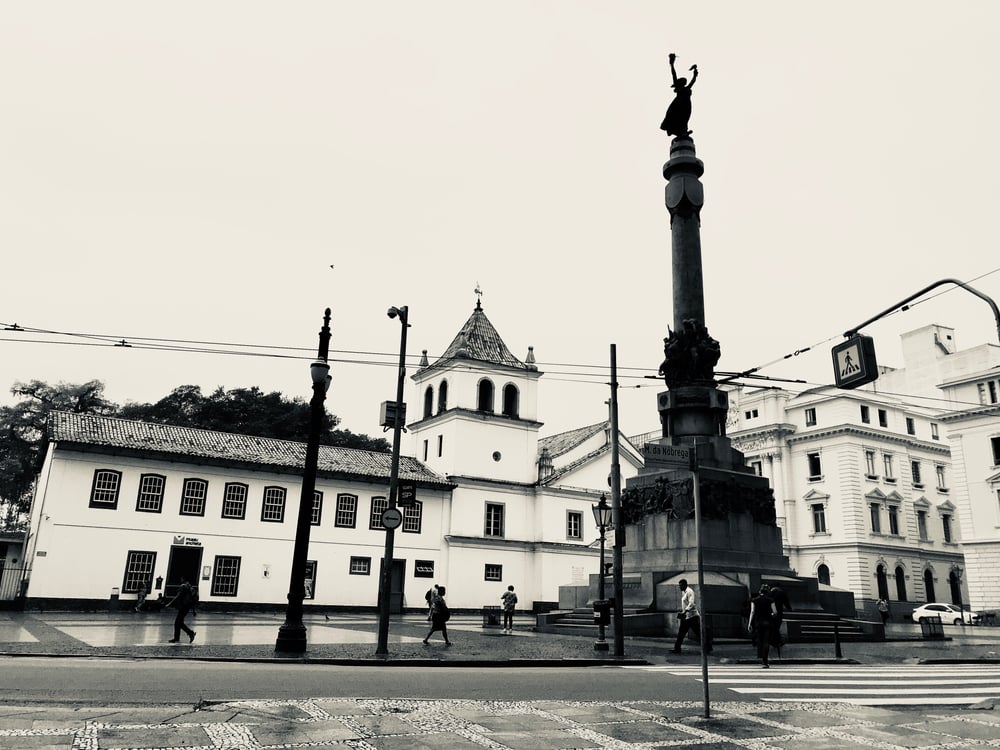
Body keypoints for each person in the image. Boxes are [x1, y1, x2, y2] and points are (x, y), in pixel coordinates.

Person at [660, 52, 699, 137]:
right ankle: (680, 132)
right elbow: (674, 74)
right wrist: (672, 64)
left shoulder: (686, 88)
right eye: (683, 81)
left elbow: (692, 82)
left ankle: (683, 131)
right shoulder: (679, 88)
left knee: (685, 119)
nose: (685, 82)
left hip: (686, 105)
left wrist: (695, 75)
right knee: (678, 117)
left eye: (685, 82)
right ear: (680, 83)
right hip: (678, 104)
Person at [672, 579, 711, 654]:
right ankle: (677, 648)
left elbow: (691, 603)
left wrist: (685, 611)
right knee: (681, 633)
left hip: (692, 617)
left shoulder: (690, 591)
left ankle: (708, 647)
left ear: (684, 585)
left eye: (680, 586)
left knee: (698, 633)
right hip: (686, 617)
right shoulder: (684, 592)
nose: (679, 587)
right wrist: (683, 611)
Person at [748, 584, 777, 668]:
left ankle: (761, 657)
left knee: (760, 641)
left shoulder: (754, 600)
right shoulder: (770, 600)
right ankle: (765, 661)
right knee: (766, 641)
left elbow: (752, 612)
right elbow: (775, 612)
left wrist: (750, 623)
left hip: (758, 622)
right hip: (768, 622)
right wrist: (771, 615)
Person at [166, 577, 197, 644]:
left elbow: (177, 596)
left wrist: (169, 604)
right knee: (179, 622)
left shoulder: (183, 586)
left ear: (183, 579)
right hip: (187, 607)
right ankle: (178, 637)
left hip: (183, 606)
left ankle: (190, 633)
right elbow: (193, 599)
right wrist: (194, 610)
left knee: (177, 622)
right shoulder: (191, 587)